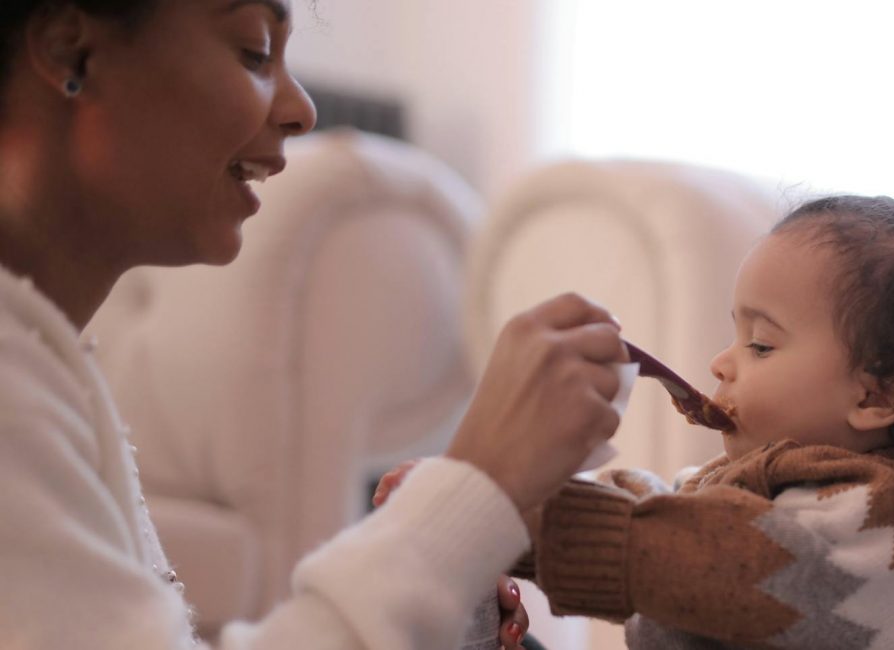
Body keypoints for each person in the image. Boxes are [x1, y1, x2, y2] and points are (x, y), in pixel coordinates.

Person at [0, 1, 629, 649]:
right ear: (73, 54)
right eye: (251, 50)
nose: (302, 110)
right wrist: (474, 489)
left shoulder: (47, 369)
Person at [380, 174, 894, 648]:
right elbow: (659, 507)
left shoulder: (882, 535)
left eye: (761, 344)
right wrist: (485, 512)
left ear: (878, 395)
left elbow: (728, 557)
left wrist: (516, 514)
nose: (721, 364)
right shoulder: (764, 497)